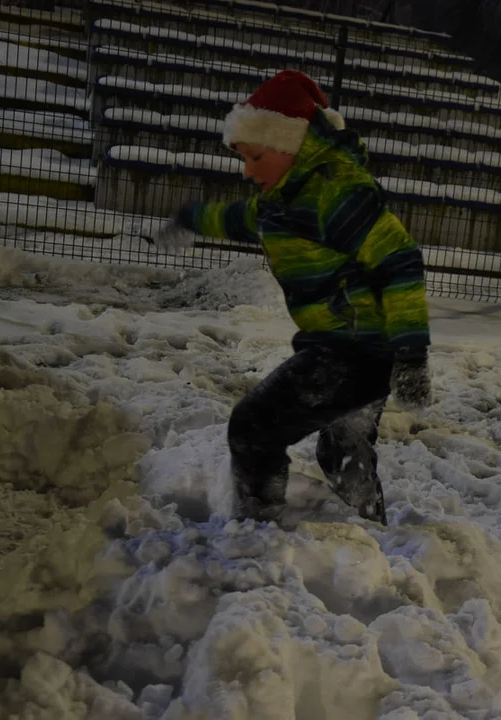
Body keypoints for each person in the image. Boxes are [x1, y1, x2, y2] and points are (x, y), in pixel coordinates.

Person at [147, 70, 432, 526]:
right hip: (350, 347)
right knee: (343, 444)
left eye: (255, 155)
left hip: (353, 350)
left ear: (291, 145)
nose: (247, 170)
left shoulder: (336, 193)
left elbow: (400, 262)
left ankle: (257, 533)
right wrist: (192, 218)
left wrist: (411, 355)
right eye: (242, 157)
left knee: (252, 427)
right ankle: (372, 528)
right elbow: (241, 219)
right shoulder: (280, 201)